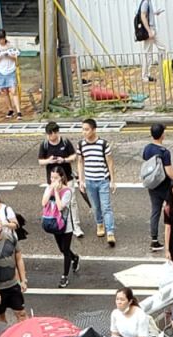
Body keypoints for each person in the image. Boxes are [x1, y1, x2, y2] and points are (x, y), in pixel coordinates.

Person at [77, 117, 116, 246]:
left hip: (103, 180)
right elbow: (80, 162)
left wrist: (113, 180)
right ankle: (100, 224)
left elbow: (110, 162)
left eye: (87, 129)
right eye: (83, 129)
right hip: (89, 180)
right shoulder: (81, 144)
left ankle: (110, 231)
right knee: (95, 206)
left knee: (106, 207)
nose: (84, 132)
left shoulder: (103, 144)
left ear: (94, 130)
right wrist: (81, 180)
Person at [41, 167, 79, 287]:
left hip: (66, 224)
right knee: (62, 249)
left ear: (61, 178)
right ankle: (75, 257)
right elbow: (43, 202)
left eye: (55, 178)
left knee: (65, 250)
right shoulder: (49, 188)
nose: (53, 180)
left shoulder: (67, 191)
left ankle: (65, 276)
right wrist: (50, 189)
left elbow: (61, 206)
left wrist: (57, 192)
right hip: (54, 223)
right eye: (51, 177)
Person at [143, 124, 173, 251]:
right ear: (162, 134)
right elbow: (169, 171)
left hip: (153, 185)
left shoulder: (147, 149)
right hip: (165, 186)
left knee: (155, 211)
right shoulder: (164, 152)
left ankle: (154, 240)